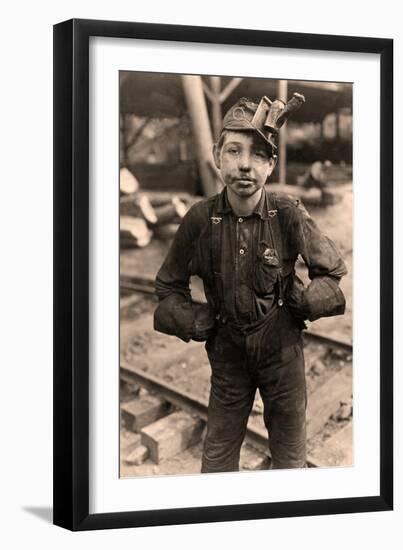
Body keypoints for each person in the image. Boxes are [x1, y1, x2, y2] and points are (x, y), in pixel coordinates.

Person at [153, 94, 347, 473]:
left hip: (282, 357)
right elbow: (167, 288)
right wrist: (193, 320)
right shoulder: (198, 221)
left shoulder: (288, 214)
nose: (244, 164)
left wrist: (310, 301)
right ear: (217, 155)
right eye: (234, 151)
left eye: (258, 154)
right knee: (217, 461)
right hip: (228, 360)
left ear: (271, 164)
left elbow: (332, 272)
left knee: (290, 461)